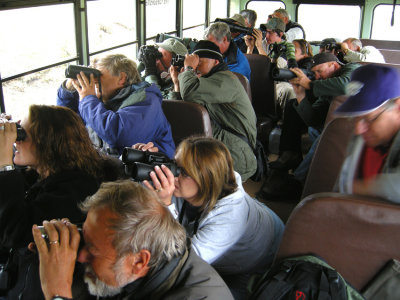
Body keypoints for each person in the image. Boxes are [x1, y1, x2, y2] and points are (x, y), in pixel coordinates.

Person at [32, 180, 234, 300]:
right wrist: (61, 254)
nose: (81, 257)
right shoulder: (154, 258)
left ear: (139, 261)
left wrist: (58, 292)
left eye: (92, 251)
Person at [0, 105, 122, 299]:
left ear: (48, 144)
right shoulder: (42, 175)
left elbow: (14, 233)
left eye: (21, 135)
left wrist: (5, 166)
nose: (15, 142)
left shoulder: (78, 191)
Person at [142, 136, 285, 299]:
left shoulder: (229, 220)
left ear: (205, 179)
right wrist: (144, 162)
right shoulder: (201, 184)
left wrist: (166, 206)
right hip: (229, 251)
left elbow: (181, 263)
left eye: (183, 172)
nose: (173, 174)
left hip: (255, 267)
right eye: (174, 165)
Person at [259, 53, 360, 199]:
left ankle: (298, 181)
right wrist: (300, 95)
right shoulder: (327, 85)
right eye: (314, 74)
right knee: (311, 125)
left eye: (319, 71)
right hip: (335, 125)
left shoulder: (353, 68)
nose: (317, 76)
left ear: (334, 65)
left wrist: (310, 84)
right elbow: (313, 119)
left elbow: (346, 86)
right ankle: (292, 158)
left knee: (324, 138)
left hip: (358, 123)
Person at [56, 53, 175, 158]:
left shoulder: (146, 101)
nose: (94, 81)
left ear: (121, 78)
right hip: (110, 167)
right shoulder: (103, 101)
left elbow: (118, 134)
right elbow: (66, 118)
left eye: (97, 75)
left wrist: (87, 99)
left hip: (149, 173)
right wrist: (69, 88)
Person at [170, 40, 257, 181]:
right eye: (194, 63)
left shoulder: (226, 80)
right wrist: (176, 84)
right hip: (228, 145)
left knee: (198, 123)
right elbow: (183, 110)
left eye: (200, 63)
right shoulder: (209, 80)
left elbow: (190, 93)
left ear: (215, 62)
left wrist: (188, 69)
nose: (196, 67)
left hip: (239, 154)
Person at [335, 64, 400, 202]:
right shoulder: (362, 139)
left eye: (369, 119)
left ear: (398, 108)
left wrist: (360, 188)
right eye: (355, 119)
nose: (358, 130)